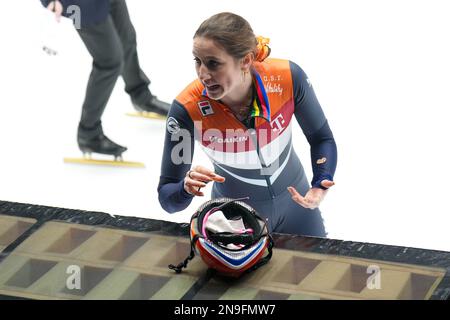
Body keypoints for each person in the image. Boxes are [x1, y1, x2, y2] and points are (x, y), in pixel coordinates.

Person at [158, 12, 337, 237]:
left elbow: (322, 138)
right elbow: (168, 199)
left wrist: (320, 183)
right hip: (236, 221)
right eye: (198, 61)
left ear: (246, 60)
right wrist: (185, 188)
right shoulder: (187, 109)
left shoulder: (288, 78)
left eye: (213, 64)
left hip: (299, 209)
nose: (203, 74)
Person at [40, 0, 170, 158]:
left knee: (126, 40)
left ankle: (141, 96)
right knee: (109, 62)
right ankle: (88, 134)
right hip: (79, 5)